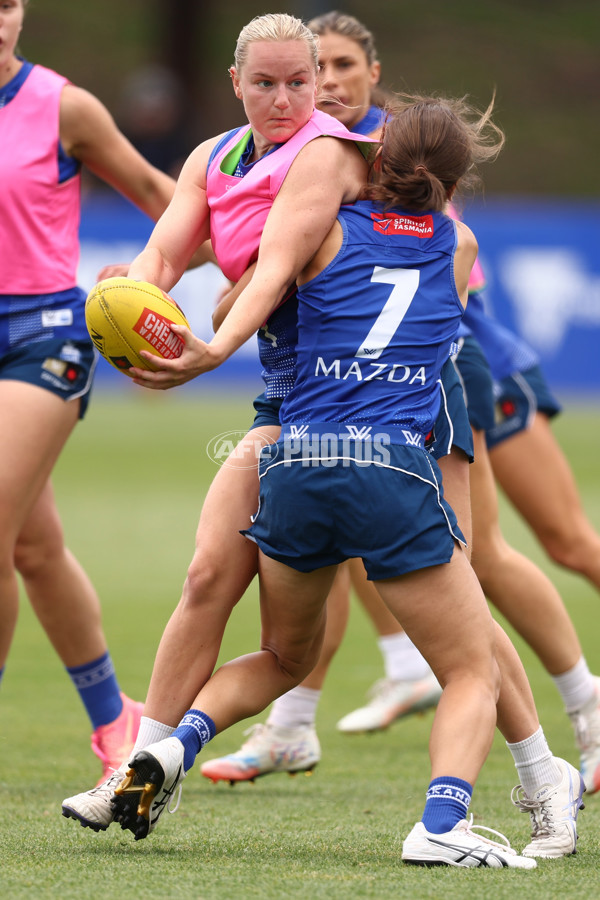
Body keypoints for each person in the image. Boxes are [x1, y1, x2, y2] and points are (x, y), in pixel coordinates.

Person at [64, 48, 581, 864]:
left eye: (317, 76)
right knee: (456, 646)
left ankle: (541, 773)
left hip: (311, 440)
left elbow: (258, 282)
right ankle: (450, 813)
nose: (310, 93)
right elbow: (249, 266)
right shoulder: (454, 240)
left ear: (374, 143)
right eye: (289, 78)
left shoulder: (328, 183)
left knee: (339, 636)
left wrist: (211, 337)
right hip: (369, 441)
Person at [199, 10, 600, 801]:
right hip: (370, 382)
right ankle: (296, 721)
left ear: (372, 74)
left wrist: (226, 327)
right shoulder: (306, 150)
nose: (328, 82)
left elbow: (427, 263)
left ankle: (580, 717)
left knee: (507, 552)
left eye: (341, 66)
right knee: (340, 531)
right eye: (316, 69)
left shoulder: (385, 147)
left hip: (450, 365)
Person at [0, 0, 185, 782]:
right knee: (33, 548)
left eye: (7, 3)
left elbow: (168, 197)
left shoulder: (63, 106)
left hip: (42, 334)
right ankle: (116, 719)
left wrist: (149, 271)